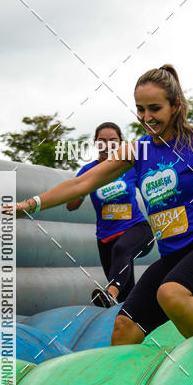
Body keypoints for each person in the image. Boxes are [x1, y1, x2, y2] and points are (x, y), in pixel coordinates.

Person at [7, 65, 193, 344]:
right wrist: (32, 204)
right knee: (124, 327)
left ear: (175, 106)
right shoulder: (137, 151)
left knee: (170, 293)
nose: (146, 117)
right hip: (174, 255)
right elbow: (82, 183)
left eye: (154, 108)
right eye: (140, 109)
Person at [66, 121, 154, 307]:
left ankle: (110, 292)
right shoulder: (88, 171)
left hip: (138, 229)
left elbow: (152, 190)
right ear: (96, 144)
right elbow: (71, 206)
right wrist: (83, 188)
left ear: (121, 143)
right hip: (106, 239)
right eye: (102, 141)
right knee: (126, 297)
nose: (107, 146)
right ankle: (138, 323)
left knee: (121, 250)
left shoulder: (130, 167)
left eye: (113, 141)